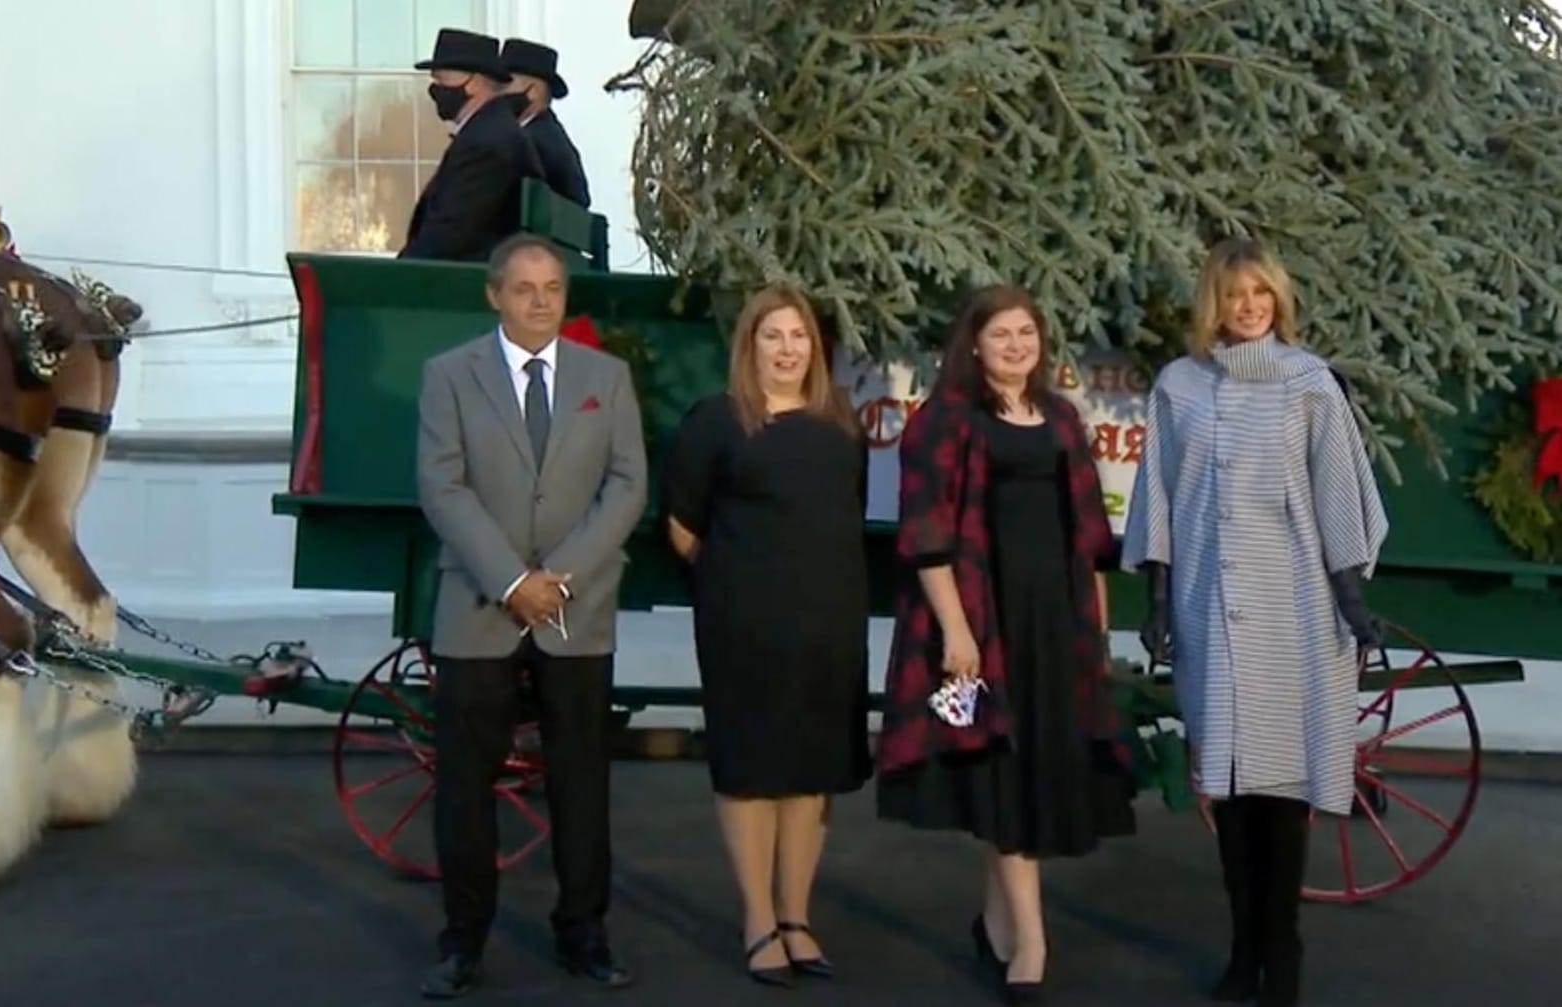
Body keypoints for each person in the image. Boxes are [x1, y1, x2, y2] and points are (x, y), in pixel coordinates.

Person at [1122, 237, 1388, 1007]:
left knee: (1282, 789)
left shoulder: (1309, 384)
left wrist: (1352, 600)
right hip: (1211, 606)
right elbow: (1160, 497)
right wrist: (1159, 598)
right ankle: (1243, 950)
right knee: (1230, 793)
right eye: (1236, 294)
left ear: (1279, 300)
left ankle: (1285, 952)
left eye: (1262, 294)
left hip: (1296, 607)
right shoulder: (1179, 387)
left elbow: (1339, 491)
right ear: (1214, 302)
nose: (1249, 307)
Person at [876, 285, 1136, 1003]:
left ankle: (995, 927)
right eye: (1001, 335)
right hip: (983, 621)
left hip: (1055, 621)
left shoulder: (1059, 416)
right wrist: (956, 631)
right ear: (975, 344)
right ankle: (1032, 941)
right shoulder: (944, 419)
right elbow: (926, 534)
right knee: (1004, 774)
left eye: (1026, 332)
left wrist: (1098, 628)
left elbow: (1087, 537)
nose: (1017, 345)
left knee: (1023, 776)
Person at [413, 232, 646, 998]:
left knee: (582, 783)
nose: (540, 300)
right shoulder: (449, 376)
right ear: (495, 295)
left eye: (551, 287)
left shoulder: (605, 379)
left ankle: (584, 933)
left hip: (577, 611)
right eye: (524, 288)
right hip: (480, 605)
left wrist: (561, 579)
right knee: (465, 788)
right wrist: (515, 580)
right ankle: (462, 941)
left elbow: (627, 487)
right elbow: (442, 487)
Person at [663, 284, 872, 988]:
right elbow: (683, 526)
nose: (788, 349)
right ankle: (758, 919)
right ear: (749, 346)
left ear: (815, 348)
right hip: (744, 621)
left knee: (811, 771)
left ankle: (796, 915)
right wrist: (741, 577)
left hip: (829, 618)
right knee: (752, 767)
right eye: (773, 337)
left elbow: (842, 514)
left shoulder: (839, 421)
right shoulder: (716, 422)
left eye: (799, 337)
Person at [400, 29, 545, 262]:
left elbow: (446, 235)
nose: (435, 89)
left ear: (475, 83)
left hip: (470, 283)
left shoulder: (484, 144)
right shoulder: (491, 130)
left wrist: (393, 277)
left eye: (442, 80)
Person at [498, 37, 591, 208]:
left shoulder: (533, 141)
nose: (498, 93)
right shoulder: (544, 133)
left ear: (533, 91)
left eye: (505, 84)